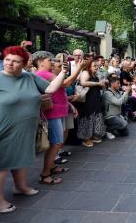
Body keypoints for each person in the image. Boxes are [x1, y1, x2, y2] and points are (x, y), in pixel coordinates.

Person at [0, 46, 66, 213]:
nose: (10, 64)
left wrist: (63, 72)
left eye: (15, 61)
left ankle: (20, 187)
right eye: (7, 60)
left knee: (20, 160)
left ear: (24, 64)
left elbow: (50, 89)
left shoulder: (29, 77)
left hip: (21, 132)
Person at [33, 51, 84, 184]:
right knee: (56, 143)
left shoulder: (46, 74)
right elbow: (65, 84)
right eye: (49, 59)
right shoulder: (43, 74)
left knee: (56, 142)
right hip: (52, 113)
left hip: (57, 111)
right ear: (40, 62)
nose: (52, 61)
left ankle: (51, 167)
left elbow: (60, 90)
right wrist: (79, 68)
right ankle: (45, 174)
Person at [77, 59, 107, 147]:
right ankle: (86, 139)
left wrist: (101, 83)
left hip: (95, 98)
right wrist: (98, 83)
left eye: (97, 66)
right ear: (89, 66)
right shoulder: (85, 72)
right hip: (87, 99)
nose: (97, 67)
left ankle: (93, 135)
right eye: (94, 66)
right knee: (87, 117)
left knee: (95, 116)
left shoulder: (94, 74)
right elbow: (83, 83)